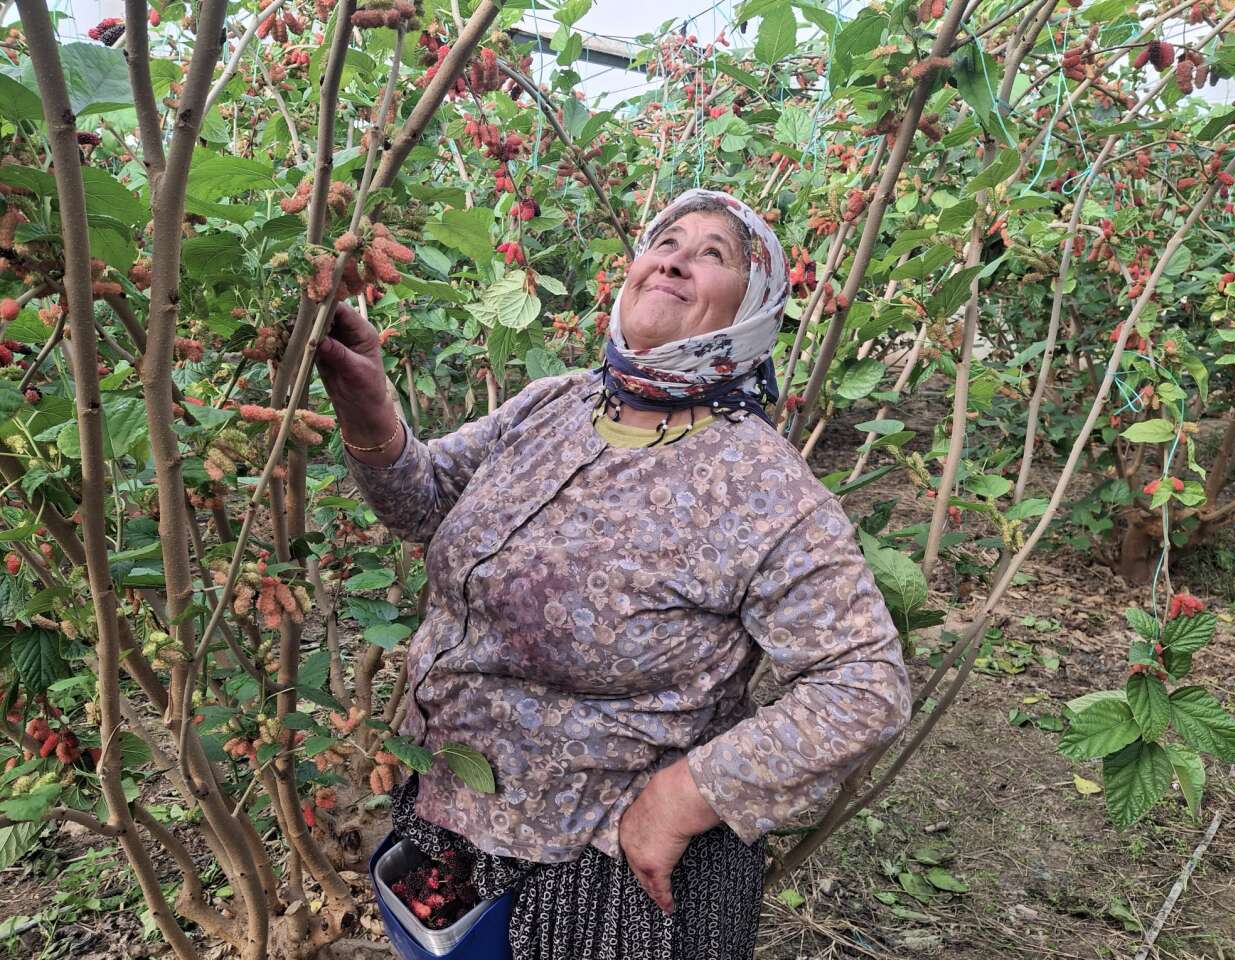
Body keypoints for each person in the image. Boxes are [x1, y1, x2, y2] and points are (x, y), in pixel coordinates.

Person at [316, 188, 911, 960]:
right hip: (448, 815)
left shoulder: (760, 485)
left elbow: (862, 686)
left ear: (753, 306)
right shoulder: (553, 406)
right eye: (666, 240)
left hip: (598, 875)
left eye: (713, 253)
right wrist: (370, 411)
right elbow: (426, 506)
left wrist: (682, 798)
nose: (675, 256)